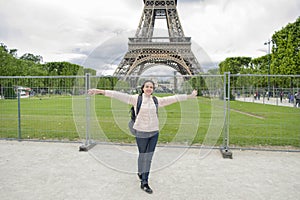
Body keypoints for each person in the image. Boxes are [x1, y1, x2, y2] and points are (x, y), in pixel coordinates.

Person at [88, 80, 197, 194]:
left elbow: (174, 98)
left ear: (153, 89)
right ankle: (140, 172)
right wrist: (100, 91)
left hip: (154, 132)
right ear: (143, 88)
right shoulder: (136, 99)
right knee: (142, 155)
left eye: (151, 87)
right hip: (141, 132)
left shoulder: (156, 100)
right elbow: (118, 95)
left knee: (148, 157)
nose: (149, 88)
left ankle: (144, 182)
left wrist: (190, 96)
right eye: (147, 86)